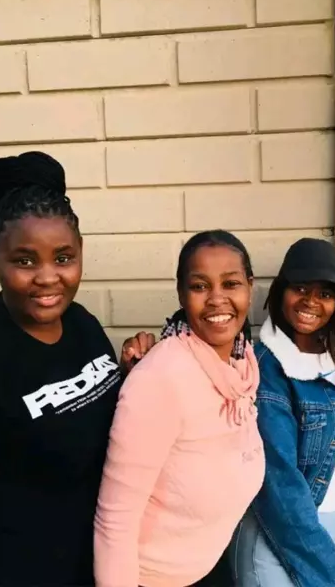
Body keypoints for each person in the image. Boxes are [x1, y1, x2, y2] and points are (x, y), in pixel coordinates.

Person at [0, 152, 153, 587]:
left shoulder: (81, 323)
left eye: (62, 258)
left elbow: (89, 412)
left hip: (98, 562)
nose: (47, 277)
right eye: (24, 261)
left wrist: (129, 375)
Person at [94, 230, 266, 587]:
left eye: (231, 284)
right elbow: (115, 522)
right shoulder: (160, 379)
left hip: (208, 568)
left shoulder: (241, 363)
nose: (217, 299)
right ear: (181, 293)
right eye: (200, 286)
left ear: (250, 288)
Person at [230, 238, 335, 587]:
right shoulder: (269, 367)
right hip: (285, 537)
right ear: (280, 290)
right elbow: (280, 484)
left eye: (325, 293)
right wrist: (328, 573)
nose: (311, 301)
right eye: (300, 288)